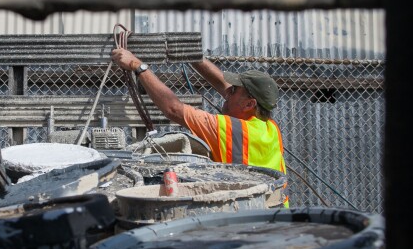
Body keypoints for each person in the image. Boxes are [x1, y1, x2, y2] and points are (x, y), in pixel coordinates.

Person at [110, 49, 288, 205]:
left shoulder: (230, 129)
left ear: (249, 104)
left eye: (234, 91)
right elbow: (223, 85)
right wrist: (191, 53)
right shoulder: (270, 127)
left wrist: (137, 66)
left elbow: (174, 109)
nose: (227, 92)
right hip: (274, 211)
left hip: (249, 216)